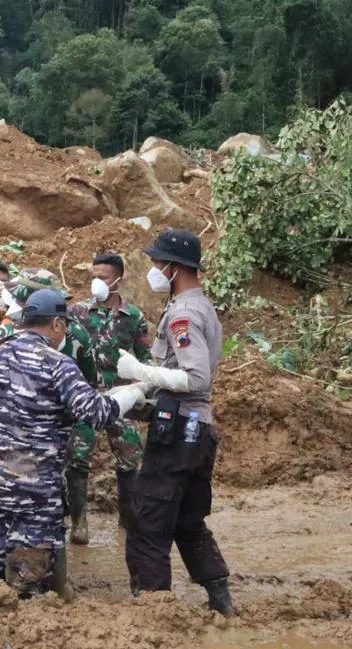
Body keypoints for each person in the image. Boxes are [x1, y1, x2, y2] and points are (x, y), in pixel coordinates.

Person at [0, 289, 145, 598]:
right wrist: (132, 394)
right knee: (29, 569)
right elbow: (97, 414)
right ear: (57, 324)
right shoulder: (59, 364)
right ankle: (26, 627)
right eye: (65, 325)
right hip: (33, 482)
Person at [115, 229, 233, 616]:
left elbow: (195, 379)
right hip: (198, 432)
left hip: (179, 434)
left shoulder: (183, 313)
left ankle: (153, 611)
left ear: (174, 268)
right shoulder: (199, 306)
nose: (152, 270)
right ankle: (220, 599)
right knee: (187, 519)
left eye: (156, 263)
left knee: (148, 521)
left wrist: (141, 370)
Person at [63, 254, 152, 543]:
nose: (96, 282)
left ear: (118, 279)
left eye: (103, 277)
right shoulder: (77, 313)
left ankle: (127, 521)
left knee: (129, 459)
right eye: (94, 275)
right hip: (84, 396)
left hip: (121, 399)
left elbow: (146, 359)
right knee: (77, 460)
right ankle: (79, 524)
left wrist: (140, 388)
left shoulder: (133, 318)